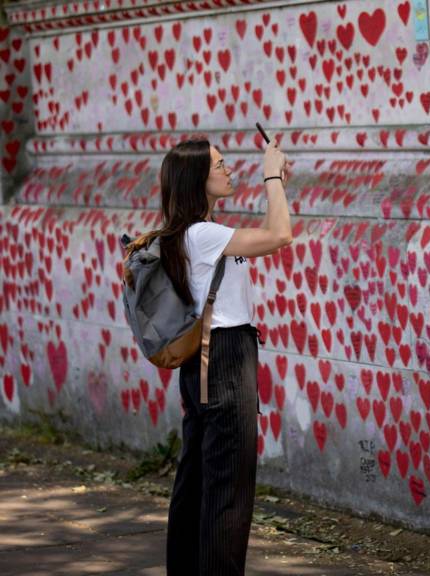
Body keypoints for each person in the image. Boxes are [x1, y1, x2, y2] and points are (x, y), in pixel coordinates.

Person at [160, 133, 293, 574]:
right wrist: (271, 175)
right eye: (219, 165)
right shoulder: (203, 235)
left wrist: (278, 186)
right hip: (224, 357)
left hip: (203, 360)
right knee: (227, 491)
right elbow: (280, 235)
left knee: (197, 480)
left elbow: (273, 230)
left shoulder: (191, 233)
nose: (228, 169)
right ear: (198, 178)